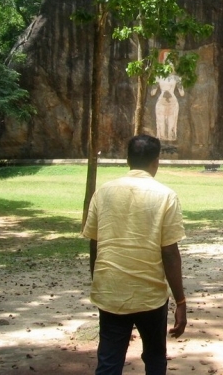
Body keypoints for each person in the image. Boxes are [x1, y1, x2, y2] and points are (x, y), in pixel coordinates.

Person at [82, 134, 187, 374]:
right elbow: (170, 253)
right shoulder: (166, 196)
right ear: (156, 162)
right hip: (149, 294)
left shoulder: (103, 193)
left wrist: (99, 281)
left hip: (111, 291)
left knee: (109, 361)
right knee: (155, 357)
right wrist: (180, 301)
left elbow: (94, 245)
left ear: (127, 160)